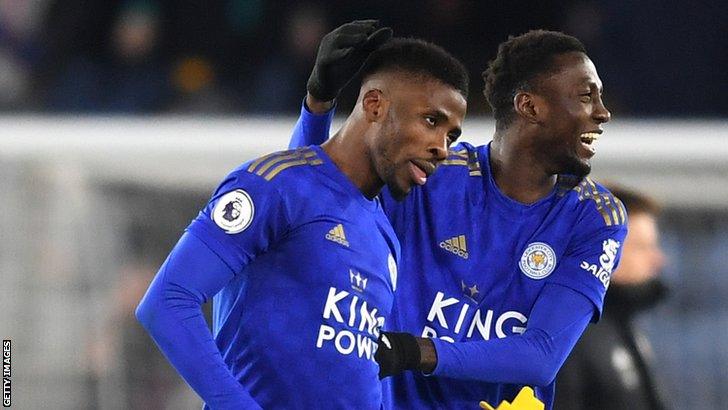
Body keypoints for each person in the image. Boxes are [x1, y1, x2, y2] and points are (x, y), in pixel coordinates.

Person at [135, 20, 469, 409]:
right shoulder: (273, 184)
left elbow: (347, 374)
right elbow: (168, 302)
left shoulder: (384, 235)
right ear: (375, 105)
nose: (442, 148)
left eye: (451, 136)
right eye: (432, 121)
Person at [289, 28, 626, 409]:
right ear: (530, 107)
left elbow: (541, 356)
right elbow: (313, 208)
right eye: (587, 96)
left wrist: (415, 351)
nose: (603, 112)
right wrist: (318, 105)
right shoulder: (433, 174)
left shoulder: (594, 217)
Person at [555, 185, 669, 410]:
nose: (658, 260)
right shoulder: (568, 335)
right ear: (605, 250)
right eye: (642, 247)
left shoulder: (623, 327)